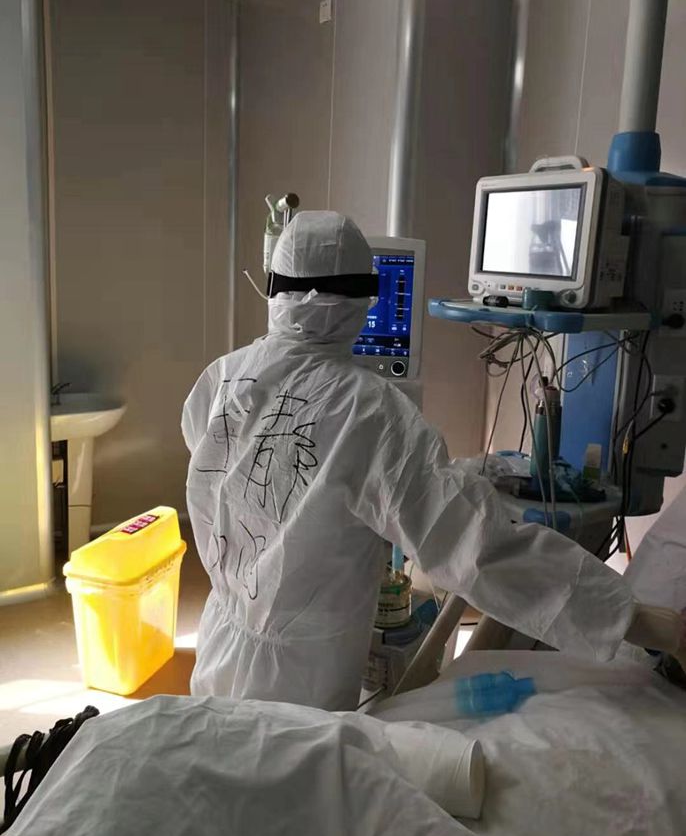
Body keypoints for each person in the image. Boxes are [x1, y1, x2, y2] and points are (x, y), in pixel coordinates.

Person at [182, 210, 682, 711]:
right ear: (364, 300)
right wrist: (648, 624)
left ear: (274, 287)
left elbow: (239, 486)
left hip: (220, 644)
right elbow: (480, 552)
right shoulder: (369, 411)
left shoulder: (223, 377)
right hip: (300, 679)